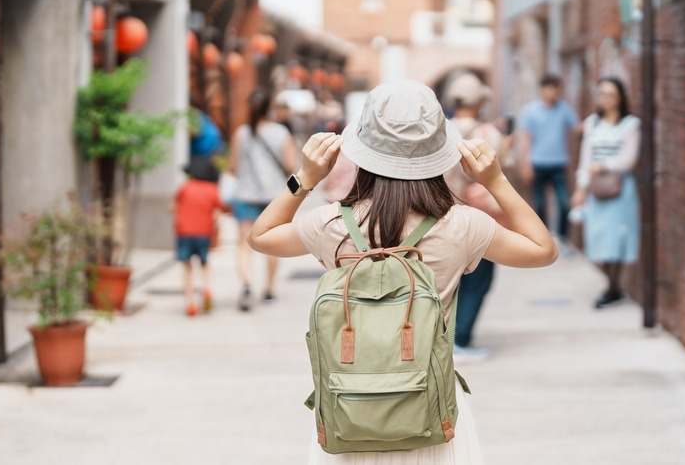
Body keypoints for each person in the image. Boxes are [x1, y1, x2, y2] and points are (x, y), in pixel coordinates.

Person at [248, 79, 558, 463]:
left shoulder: (333, 225)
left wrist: (306, 178)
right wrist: (495, 181)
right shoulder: (462, 226)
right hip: (432, 415)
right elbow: (543, 250)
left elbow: (261, 236)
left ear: (361, 151)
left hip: (349, 416)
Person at [442, 73, 505, 362]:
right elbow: (502, 168)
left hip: (442, 214)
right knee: (480, 276)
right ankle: (461, 338)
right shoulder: (488, 133)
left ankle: (447, 337)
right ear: (479, 102)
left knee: (449, 279)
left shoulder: (439, 133)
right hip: (478, 218)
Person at [570, 77, 641, 308]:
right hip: (596, 191)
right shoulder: (592, 123)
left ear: (620, 97)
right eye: (602, 94)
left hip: (620, 190)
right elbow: (585, 159)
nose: (606, 99)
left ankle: (613, 288)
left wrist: (604, 165)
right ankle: (612, 287)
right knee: (600, 237)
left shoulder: (631, 124)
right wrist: (580, 189)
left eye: (611, 94)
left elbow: (629, 159)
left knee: (617, 237)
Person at [228, 89, 299, 310]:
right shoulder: (281, 133)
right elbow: (291, 166)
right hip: (274, 197)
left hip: (245, 194)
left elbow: (232, 167)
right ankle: (268, 289)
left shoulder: (241, 133)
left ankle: (246, 284)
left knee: (243, 244)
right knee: (273, 244)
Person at [517, 74, 581, 243]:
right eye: (550, 88)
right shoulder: (530, 111)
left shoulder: (564, 109)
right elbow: (526, 139)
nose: (553, 93)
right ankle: (543, 239)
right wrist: (526, 164)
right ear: (542, 90)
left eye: (556, 89)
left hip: (558, 163)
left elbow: (577, 128)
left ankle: (562, 238)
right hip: (537, 163)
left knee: (564, 203)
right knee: (539, 204)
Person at [171, 155, 224, 317]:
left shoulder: (185, 188)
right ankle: (206, 288)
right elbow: (217, 214)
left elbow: (172, 207)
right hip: (204, 232)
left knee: (187, 265)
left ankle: (190, 301)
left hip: (184, 232)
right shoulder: (212, 189)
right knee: (204, 262)